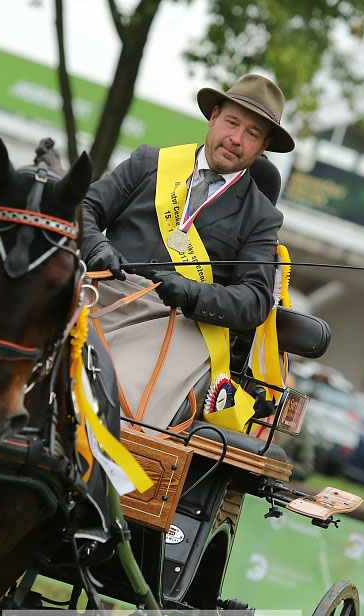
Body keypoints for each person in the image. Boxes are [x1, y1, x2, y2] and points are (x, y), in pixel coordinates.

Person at [81, 74, 294, 430]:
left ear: (263, 146)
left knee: (116, 393)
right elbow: (84, 208)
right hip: (101, 291)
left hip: (175, 322)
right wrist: (97, 244)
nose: (236, 139)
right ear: (213, 117)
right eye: (231, 122)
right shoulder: (149, 162)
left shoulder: (261, 216)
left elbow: (255, 299)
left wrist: (194, 293)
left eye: (252, 134)